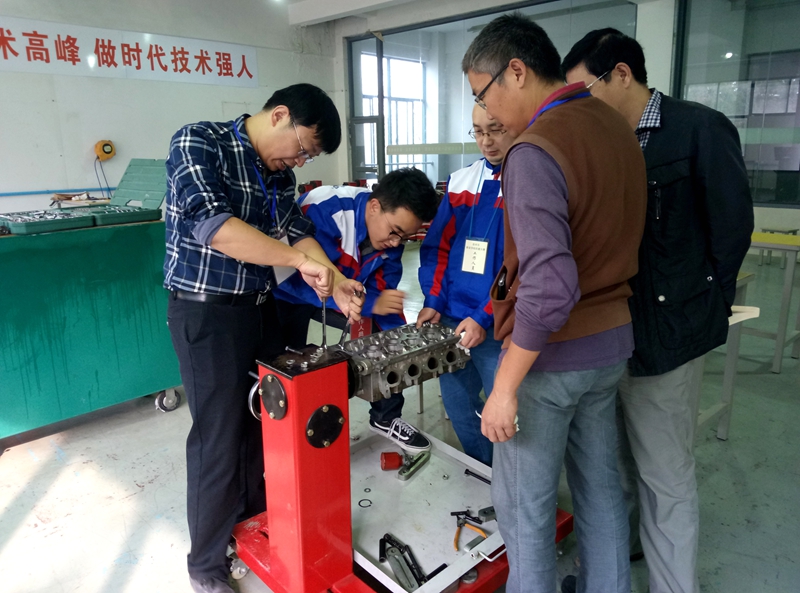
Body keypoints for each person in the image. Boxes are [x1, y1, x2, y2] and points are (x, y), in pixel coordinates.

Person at [562, 30, 754, 593]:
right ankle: (625, 556)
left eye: (584, 91)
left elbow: (731, 229)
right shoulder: (601, 142)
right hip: (610, 335)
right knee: (620, 465)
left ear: (622, 74)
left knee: (665, 473)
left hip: (667, 336)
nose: (579, 106)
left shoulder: (698, 129)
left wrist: (704, 306)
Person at [462, 14, 647, 593]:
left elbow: (549, 287)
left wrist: (504, 387)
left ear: (516, 72)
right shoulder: (615, 126)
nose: (487, 112)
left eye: (483, 94)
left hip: (553, 358)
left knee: (525, 509)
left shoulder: (535, 149)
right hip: (610, 346)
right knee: (600, 490)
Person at [164, 83, 365, 593]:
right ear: (279, 116)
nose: (299, 160)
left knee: (263, 424)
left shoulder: (278, 174)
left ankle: (252, 527)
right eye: (302, 148)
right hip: (206, 314)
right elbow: (216, 228)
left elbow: (297, 231)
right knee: (219, 438)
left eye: (308, 157)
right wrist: (298, 262)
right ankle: (205, 564)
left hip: (259, 310)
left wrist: (337, 279)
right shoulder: (198, 142)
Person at [274, 167, 440, 452]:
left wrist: (399, 348)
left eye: (404, 237)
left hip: (343, 291)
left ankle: (386, 417)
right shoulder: (325, 210)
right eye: (395, 232)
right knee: (287, 363)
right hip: (290, 292)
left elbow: (383, 290)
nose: (396, 242)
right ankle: (289, 430)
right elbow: (287, 275)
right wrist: (367, 302)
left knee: (383, 332)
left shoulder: (391, 238)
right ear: (374, 207)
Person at [416, 104, 515, 467]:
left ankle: (514, 485)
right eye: (478, 131)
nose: (486, 141)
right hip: (452, 323)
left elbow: (518, 266)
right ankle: (485, 473)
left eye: (496, 129)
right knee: (460, 408)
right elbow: (438, 249)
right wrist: (434, 300)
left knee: (508, 417)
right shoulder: (460, 182)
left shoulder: (528, 180)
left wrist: (484, 317)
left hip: (498, 325)